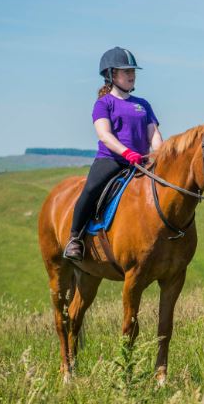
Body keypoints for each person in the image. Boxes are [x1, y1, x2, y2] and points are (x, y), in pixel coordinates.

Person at [63, 47, 163, 261]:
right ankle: (75, 238)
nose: (131, 75)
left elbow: (153, 134)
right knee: (90, 190)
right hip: (112, 160)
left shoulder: (143, 104)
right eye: (125, 71)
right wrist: (127, 153)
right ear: (110, 75)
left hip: (142, 162)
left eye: (132, 71)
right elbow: (105, 135)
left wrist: (160, 154)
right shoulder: (104, 103)